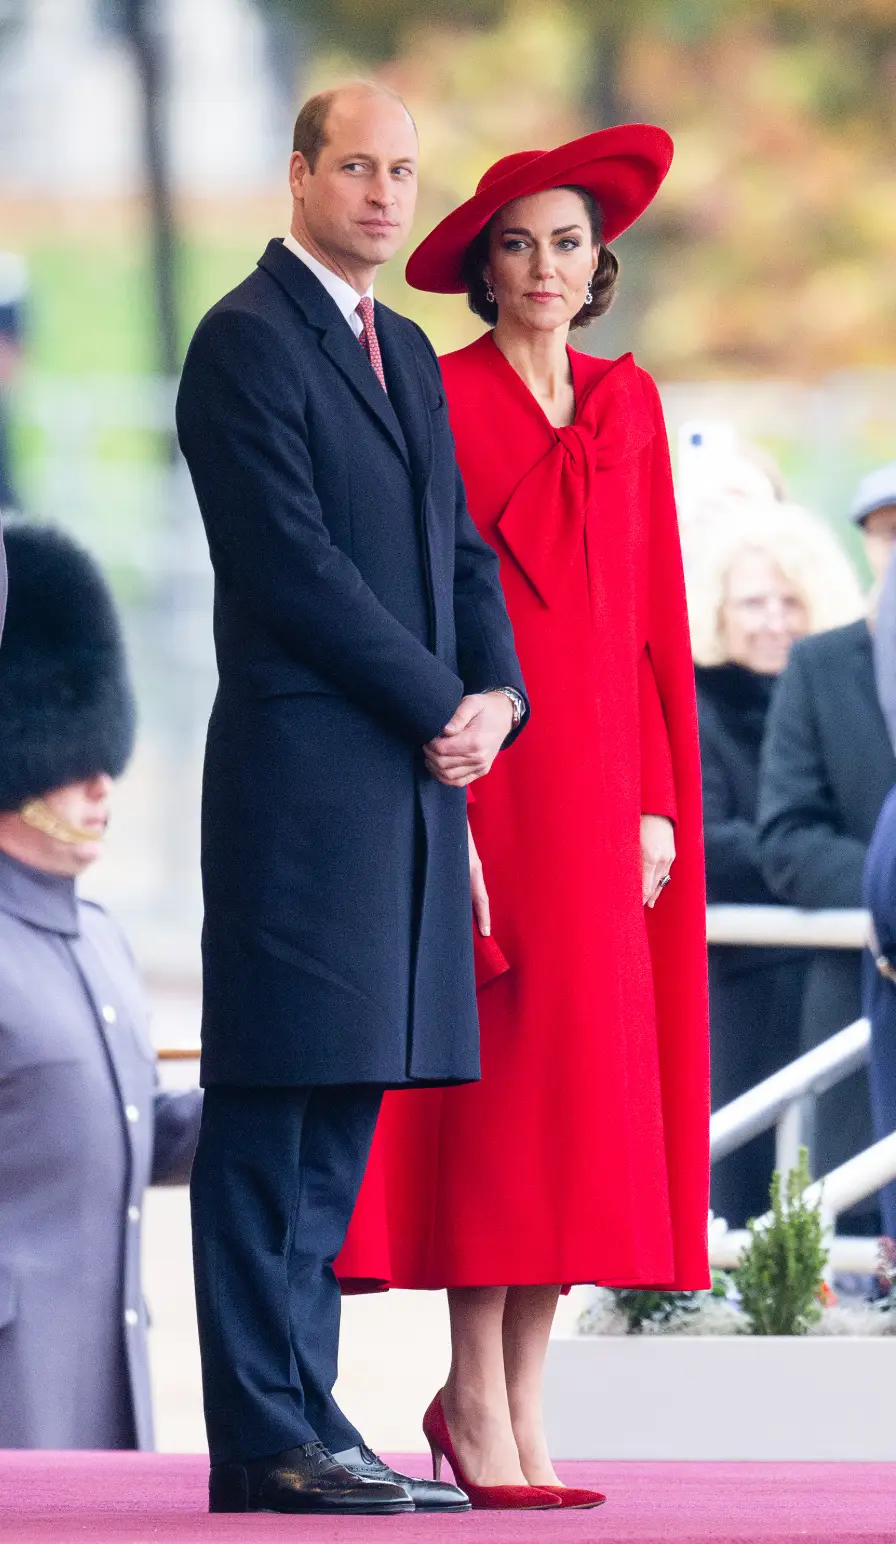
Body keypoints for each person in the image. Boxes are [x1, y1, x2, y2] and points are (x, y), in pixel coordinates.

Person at [338, 125, 710, 1509]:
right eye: (515, 245)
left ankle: (521, 1411)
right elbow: (413, 611)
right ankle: (470, 1400)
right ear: (481, 269)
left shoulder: (628, 401)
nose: (543, 268)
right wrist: (453, 805)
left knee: (579, 1117)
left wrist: (664, 808)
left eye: (565, 244)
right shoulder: (432, 399)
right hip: (493, 797)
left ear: (596, 262)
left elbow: (658, 628)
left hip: (611, 804)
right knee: (497, 1110)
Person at [175, 83, 527, 1518]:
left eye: (403, 171)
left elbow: (461, 557)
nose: (384, 193)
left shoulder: (411, 361)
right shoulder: (246, 343)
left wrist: (498, 693)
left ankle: (305, 1421)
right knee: (273, 1116)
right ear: (301, 174)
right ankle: (265, 1438)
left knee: (337, 1126)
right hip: (303, 790)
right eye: (357, 167)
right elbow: (293, 567)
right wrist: (437, 699)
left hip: (398, 794)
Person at [0, 520, 202, 1450]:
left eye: (104, 758)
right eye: (74, 764)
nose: (102, 786)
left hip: (107, 1372)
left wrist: (279, 1092)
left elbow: (133, 1131)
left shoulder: (103, 937)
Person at [688, 503, 863, 1226]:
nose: (773, 620)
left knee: (848, 1168)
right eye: (753, 601)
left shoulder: (846, 698)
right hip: (742, 981)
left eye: (791, 600)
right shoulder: (694, 704)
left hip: (847, 969)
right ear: (718, 610)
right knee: (741, 1176)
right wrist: (806, 856)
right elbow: (702, 844)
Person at [758, 465, 896, 1206]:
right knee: (850, 1223)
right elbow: (787, 838)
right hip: (859, 992)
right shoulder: (818, 665)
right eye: (889, 532)